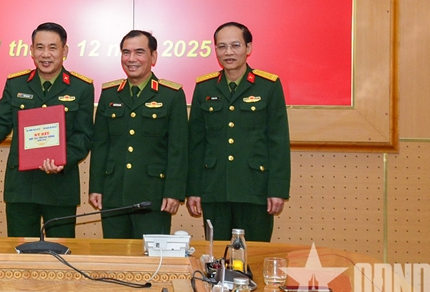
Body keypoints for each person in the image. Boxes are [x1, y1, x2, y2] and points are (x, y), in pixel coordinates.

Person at [0, 22, 94, 237]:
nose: (46, 54)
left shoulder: (81, 87)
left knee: (61, 251)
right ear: (31, 50)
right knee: (21, 251)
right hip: (21, 186)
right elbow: (1, 123)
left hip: (60, 186)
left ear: (65, 51)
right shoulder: (16, 84)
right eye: (40, 47)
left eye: (53, 47)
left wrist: (63, 160)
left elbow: (84, 135)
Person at [185, 22, 291, 242]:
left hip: (255, 188)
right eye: (222, 47)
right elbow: (196, 143)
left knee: (254, 253)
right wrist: (193, 189)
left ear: (248, 48)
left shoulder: (268, 86)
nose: (228, 52)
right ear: (215, 50)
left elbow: (278, 142)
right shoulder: (204, 88)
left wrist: (277, 190)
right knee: (216, 255)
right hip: (214, 188)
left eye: (235, 45)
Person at [88, 30, 188, 238]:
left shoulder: (171, 95)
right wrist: (96, 187)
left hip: (154, 196)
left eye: (139, 52)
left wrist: (173, 192)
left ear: (153, 57)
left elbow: (178, 149)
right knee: (115, 255)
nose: (131, 59)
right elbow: (100, 145)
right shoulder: (109, 94)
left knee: (151, 255)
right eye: (126, 52)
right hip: (114, 194)